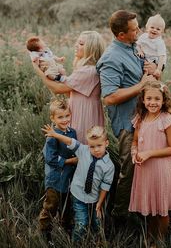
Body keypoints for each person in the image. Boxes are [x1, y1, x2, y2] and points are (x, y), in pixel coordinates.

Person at [96, 10, 156, 219]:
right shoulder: (111, 58)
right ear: (121, 34)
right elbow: (109, 97)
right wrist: (141, 85)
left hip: (145, 119)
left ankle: (142, 209)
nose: (139, 30)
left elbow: (147, 77)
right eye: (134, 29)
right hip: (127, 124)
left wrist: (153, 70)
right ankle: (120, 217)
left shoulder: (134, 47)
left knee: (145, 167)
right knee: (128, 172)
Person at [42, 125, 115, 245]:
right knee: (81, 223)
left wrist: (99, 204)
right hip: (78, 196)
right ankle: (75, 243)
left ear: (106, 143)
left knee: (98, 223)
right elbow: (70, 141)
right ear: (88, 144)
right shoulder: (83, 151)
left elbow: (105, 186)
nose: (96, 149)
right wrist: (55, 134)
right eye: (92, 146)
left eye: (99, 145)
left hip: (95, 199)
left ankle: (98, 241)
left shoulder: (109, 166)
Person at [129, 80, 171, 246]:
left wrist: (149, 153)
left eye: (157, 99)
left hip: (161, 170)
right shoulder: (140, 118)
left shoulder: (166, 120)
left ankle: (160, 240)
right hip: (145, 170)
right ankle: (150, 235)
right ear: (143, 100)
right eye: (149, 98)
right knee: (150, 206)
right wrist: (134, 153)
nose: (152, 102)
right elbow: (135, 141)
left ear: (163, 100)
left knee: (161, 208)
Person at [32, 31, 105, 144]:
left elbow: (57, 89)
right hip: (79, 108)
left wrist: (38, 71)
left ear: (91, 48)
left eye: (81, 44)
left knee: (81, 146)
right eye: (77, 42)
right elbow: (70, 92)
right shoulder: (87, 69)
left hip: (84, 113)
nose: (76, 45)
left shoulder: (88, 71)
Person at [39, 99, 78, 246]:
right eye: (60, 117)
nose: (65, 119)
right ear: (52, 118)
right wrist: (70, 161)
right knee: (51, 206)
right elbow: (51, 159)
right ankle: (45, 233)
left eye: (67, 115)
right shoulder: (52, 135)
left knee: (67, 205)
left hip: (68, 178)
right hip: (55, 179)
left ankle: (67, 230)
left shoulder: (72, 132)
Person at [137, 14, 167, 79]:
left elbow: (161, 56)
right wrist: (139, 50)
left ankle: (154, 81)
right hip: (147, 57)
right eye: (152, 27)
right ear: (147, 28)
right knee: (139, 60)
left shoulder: (159, 42)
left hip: (157, 61)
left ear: (162, 32)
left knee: (154, 75)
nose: (154, 30)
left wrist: (159, 69)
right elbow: (137, 44)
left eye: (158, 29)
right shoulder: (143, 36)